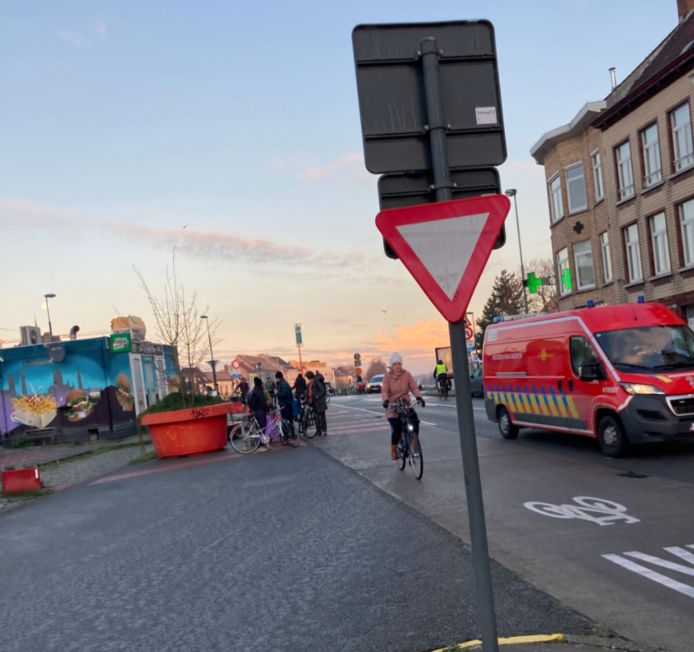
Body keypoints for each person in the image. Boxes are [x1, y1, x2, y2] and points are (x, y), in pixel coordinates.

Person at [382, 352, 425, 460]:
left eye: (399, 364)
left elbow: (413, 386)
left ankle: (414, 445)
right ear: (392, 365)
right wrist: (386, 400)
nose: (397, 366)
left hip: (405, 404)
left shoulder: (407, 374)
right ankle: (394, 450)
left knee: (414, 422)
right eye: (395, 364)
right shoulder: (387, 377)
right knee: (397, 427)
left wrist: (419, 397)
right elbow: (384, 390)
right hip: (393, 405)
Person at [274, 371, 297, 445]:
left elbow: (285, 394)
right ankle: (288, 437)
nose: (275, 380)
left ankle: (291, 437)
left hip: (286, 405)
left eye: (276, 378)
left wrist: (277, 393)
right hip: (285, 405)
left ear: (278, 378)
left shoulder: (283, 384)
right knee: (286, 421)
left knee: (287, 421)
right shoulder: (282, 383)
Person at [247, 377, 271, 446]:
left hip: (254, 410)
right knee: (263, 426)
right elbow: (263, 402)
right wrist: (267, 409)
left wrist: (251, 409)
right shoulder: (260, 391)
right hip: (260, 410)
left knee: (258, 427)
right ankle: (261, 442)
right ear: (260, 384)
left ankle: (257, 441)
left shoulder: (253, 390)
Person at [306, 370, 328, 436]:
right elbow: (308, 392)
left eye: (308, 378)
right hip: (314, 402)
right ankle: (318, 431)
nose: (308, 379)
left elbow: (322, 390)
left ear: (310, 377)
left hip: (320, 402)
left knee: (322, 416)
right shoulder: (309, 384)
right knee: (316, 417)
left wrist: (317, 396)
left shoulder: (316, 382)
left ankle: (324, 430)